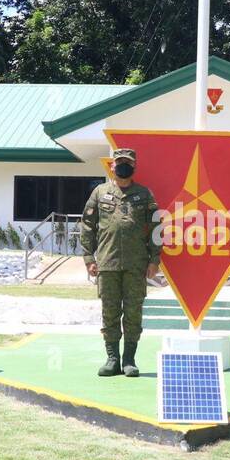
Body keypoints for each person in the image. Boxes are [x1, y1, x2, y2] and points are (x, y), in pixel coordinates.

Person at [80, 147, 161, 377]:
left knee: (134, 313)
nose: (122, 166)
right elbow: (87, 227)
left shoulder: (145, 194)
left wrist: (155, 260)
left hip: (136, 265)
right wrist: (88, 257)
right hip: (107, 263)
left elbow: (157, 228)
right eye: (119, 162)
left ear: (133, 167)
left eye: (127, 162)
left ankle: (129, 359)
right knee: (110, 313)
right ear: (112, 166)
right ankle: (112, 358)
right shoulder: (99, 192)